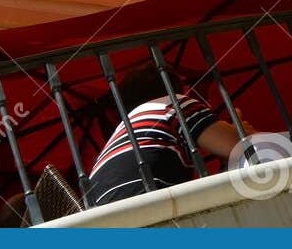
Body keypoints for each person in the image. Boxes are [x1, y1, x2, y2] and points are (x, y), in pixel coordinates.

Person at [85, 62, 242, 208]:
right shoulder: (171, 104)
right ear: (175, 88)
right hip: (148, 211)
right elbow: (244, 147)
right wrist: (239, 128)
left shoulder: (124, 130)